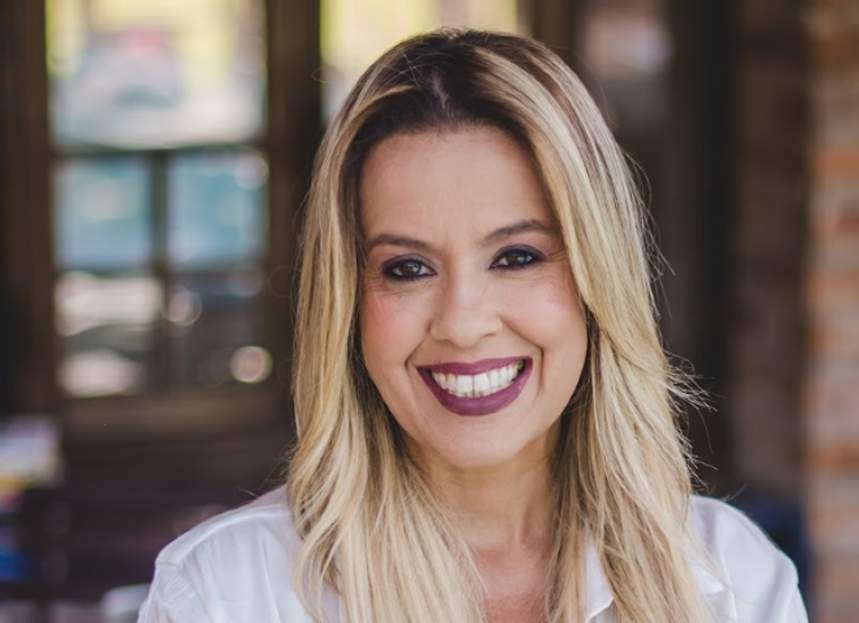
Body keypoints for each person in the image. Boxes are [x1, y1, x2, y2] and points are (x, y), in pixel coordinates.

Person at [138, 29, 808, 623]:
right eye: (407, 268)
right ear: (347, 302)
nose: (462, 323)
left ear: (598, 278)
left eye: (517, 257)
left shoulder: (732, 581)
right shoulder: (226, 596)